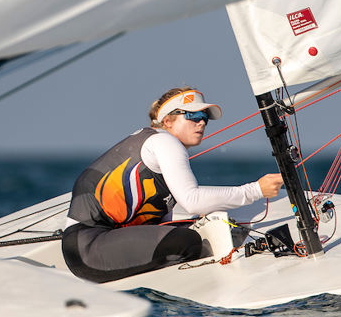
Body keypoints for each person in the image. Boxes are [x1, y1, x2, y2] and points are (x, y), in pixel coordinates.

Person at [62, 87, 284, 283]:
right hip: (87, 247)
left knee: (205, 229)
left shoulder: (160, 151)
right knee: (187, 240)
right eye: (193, 115)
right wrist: (255, 190)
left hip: (103, 240)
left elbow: (160, 225)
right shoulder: (164, 141)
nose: (201, 122)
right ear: (167, 121)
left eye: (205, 117)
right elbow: (192, 201)